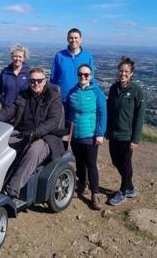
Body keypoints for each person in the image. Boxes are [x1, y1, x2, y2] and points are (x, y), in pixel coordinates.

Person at [0, 67, 65, 198]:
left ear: (45, 81)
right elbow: (8, 111)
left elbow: (53, 121)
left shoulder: (53, 97)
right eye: (32, 81)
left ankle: (12, 190)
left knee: (33, 151)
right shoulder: (24, 96)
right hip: (23, 134)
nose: (36, 84)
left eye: (39, 81)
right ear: (29, 82)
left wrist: (35, 132)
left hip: (46, 138)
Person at [65, 64, 106, 210]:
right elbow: (67, 112)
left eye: (86, 74)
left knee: (91, 165)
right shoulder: (72, 92)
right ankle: (82, 186)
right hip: (75, 136)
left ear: (91, 76)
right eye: (80, 74)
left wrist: (100, 134)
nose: (83, 77)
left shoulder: (97, 92)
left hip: (90, 135)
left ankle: (95, 194)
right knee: (80, 163)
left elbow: (102, 114)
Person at [106, 57, 146, 206]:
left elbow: (140, 117)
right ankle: (130, 187)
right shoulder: (113, 88)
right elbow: (109, 110)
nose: (123, 73)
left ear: (131, 73)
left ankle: (123, 191)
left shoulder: (136, 91)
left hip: (127, 135)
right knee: (116, 161)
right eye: (121, 71)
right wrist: (107, 130)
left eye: (126, 71)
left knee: (125, 163)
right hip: (114, 133)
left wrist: (135, 139)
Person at [50, 28, 95, 103]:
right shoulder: (59, 55)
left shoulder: (87, 56)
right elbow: (53, 78)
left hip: (80, 99)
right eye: (71, 38)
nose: (73, 40)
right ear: (67, 39)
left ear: (80, 39)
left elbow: (92, 79)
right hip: (62, 99)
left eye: (76, 38)